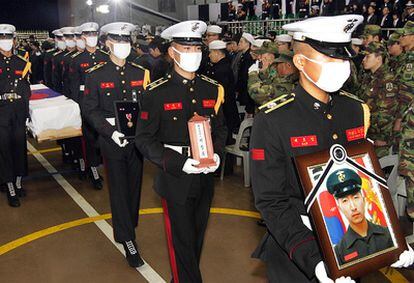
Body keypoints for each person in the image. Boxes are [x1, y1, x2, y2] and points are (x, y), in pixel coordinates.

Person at [249, 15, 414, 283]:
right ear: (301, 62)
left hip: (352, 243)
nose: (341, 66)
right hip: (299, 248)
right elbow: (272, 201)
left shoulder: (354, 110)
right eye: (330, 59)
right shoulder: (273, 119)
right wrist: (313, 259)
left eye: (343, 59)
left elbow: (365, 182)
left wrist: (388, 241)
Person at [135, 20, 227, 282]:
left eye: (197, 48)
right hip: (176, 175)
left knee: (196, 236)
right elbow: (143, 139)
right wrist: (177, 162)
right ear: (172, 53)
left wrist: (217, 153)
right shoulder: (156, 93)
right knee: (182, 242)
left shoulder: (211, 87)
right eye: (186, 49)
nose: (193, 54)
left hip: (205, 174)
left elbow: (221, 129)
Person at [83, 22, 151, 267]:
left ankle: (128, 223)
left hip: (136, 140)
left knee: (134, 187)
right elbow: (90, 109)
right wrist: (111, 132)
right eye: (118, 41)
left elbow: (147, 107)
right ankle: (127, 238)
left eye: (126, 41)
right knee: (120, 189)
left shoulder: (139, 73)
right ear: (107, 44)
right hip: (112, 141)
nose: (123, 45)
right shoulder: (96, 74)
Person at [69, 22, 108, 189]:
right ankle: (93, 170)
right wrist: (78, 106)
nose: (92, 37)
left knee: (105, 138)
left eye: (94, 34)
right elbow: (73, 87)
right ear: (83, 37)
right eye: (89, 35)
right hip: (87, 105)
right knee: (90, 139)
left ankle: (103, 165)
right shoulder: (77, 60)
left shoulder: (105, 57)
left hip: (104, 105)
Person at [326, 169, 394, 265]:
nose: (353, 207)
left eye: (355, 197)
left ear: (364, 200)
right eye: (345, 201)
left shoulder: (388, 234)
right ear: (339, 208)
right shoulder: (339, 252)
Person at [0, 24, 31, 207]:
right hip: (2, 111)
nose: (6, 41)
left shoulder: (23, 62)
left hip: (19, 110)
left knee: (19, 146)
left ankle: (18, 179)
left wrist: (26, 112)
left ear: (14, 40)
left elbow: (26, 88)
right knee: (4, 148)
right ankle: (9, 184)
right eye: (2, 38)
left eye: (8, 38)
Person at [208, 39, 240, 150]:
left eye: (211, 52)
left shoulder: (222, 69)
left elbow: (219, 92)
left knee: (223, 144)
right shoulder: (220, 66)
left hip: (225, 112)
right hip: (225, 111)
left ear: (217, 52)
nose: (209, 55)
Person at [396, 21, 414, 219]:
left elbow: (407, 93)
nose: (401, 38)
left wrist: (400, 118)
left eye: (405, 35)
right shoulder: (407, 57)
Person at [235, 32, 255, 115]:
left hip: (246, 90)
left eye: (241, 42)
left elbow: (245, 76)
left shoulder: (248, 58)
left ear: (248, 43)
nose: (238, 44)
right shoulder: (243, 56)